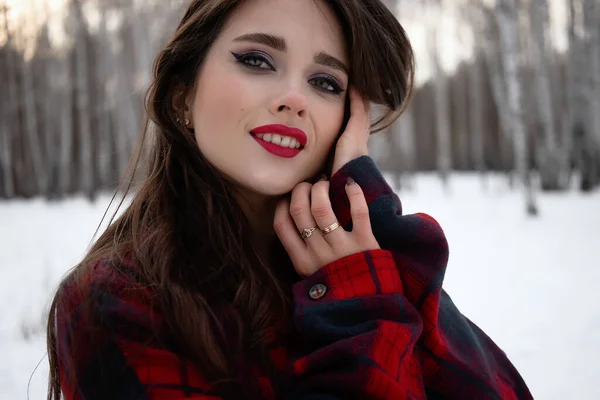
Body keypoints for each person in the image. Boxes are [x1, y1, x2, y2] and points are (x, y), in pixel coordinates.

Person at [46, 0, 533, 399]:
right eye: (257, 60)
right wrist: (360, 317)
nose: (294, 98)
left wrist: (364, 210)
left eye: (325, 83)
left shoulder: (354, 263)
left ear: (348, 119)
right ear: (181, 96)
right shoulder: (115, 304)